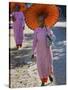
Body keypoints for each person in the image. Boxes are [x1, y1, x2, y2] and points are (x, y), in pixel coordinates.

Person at [32, 15, 54, 86]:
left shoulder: (47, 29)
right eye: (38, 21)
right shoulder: (36, 30)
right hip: (39, 52)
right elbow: (34, 41)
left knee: (48, 65)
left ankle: (49, 75)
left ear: (44, 21)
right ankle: (43, 81)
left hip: (47, 51)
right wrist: (33, 52)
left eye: (41, 21)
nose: (39, 22)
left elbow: (52, 38)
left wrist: (49, 33)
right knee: (40, 66)